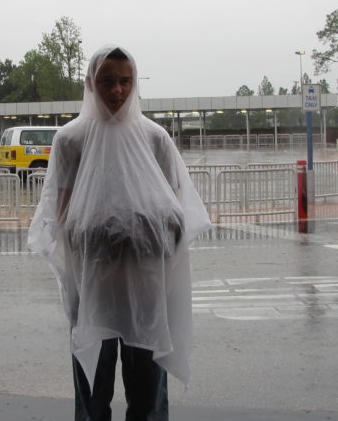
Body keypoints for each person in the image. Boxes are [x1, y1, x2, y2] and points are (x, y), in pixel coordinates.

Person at [28, 45, 212, 421]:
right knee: (92, 396)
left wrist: (135, 228)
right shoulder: (71, 140)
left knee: (147, 395)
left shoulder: (154, 138)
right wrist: (106, 228)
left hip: (145, 286)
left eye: (125, 81)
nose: (117, 90)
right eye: (107, 81)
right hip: (92, 284)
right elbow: (63, 216)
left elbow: (173, 214)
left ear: (135, 83)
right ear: (90, 84)